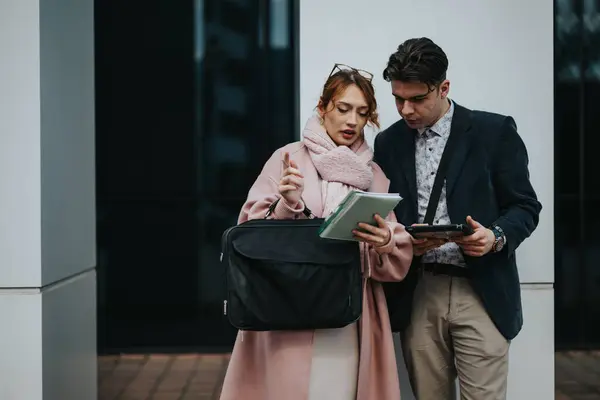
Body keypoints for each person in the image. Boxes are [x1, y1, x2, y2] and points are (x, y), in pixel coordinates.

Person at [219, 64, 414, 400]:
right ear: (323, 108)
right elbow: (249, 235)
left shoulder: (374, 174)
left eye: (362, 112)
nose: (352, 121)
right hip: (288, 310)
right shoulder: (287, 158)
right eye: (343, 108)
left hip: (349, 313)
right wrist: (286, 204)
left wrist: (385, 242)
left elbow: (396, 252)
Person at [374, 38, 542, 400]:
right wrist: (403, 241)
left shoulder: (493, 132)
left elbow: (526, 206)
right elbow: (384, 215)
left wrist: (494, 236)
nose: (405, 109)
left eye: (417, 99)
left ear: (444, 87)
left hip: (480, 289)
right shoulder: (388, 143)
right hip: (419, 290)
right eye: (398, 99)